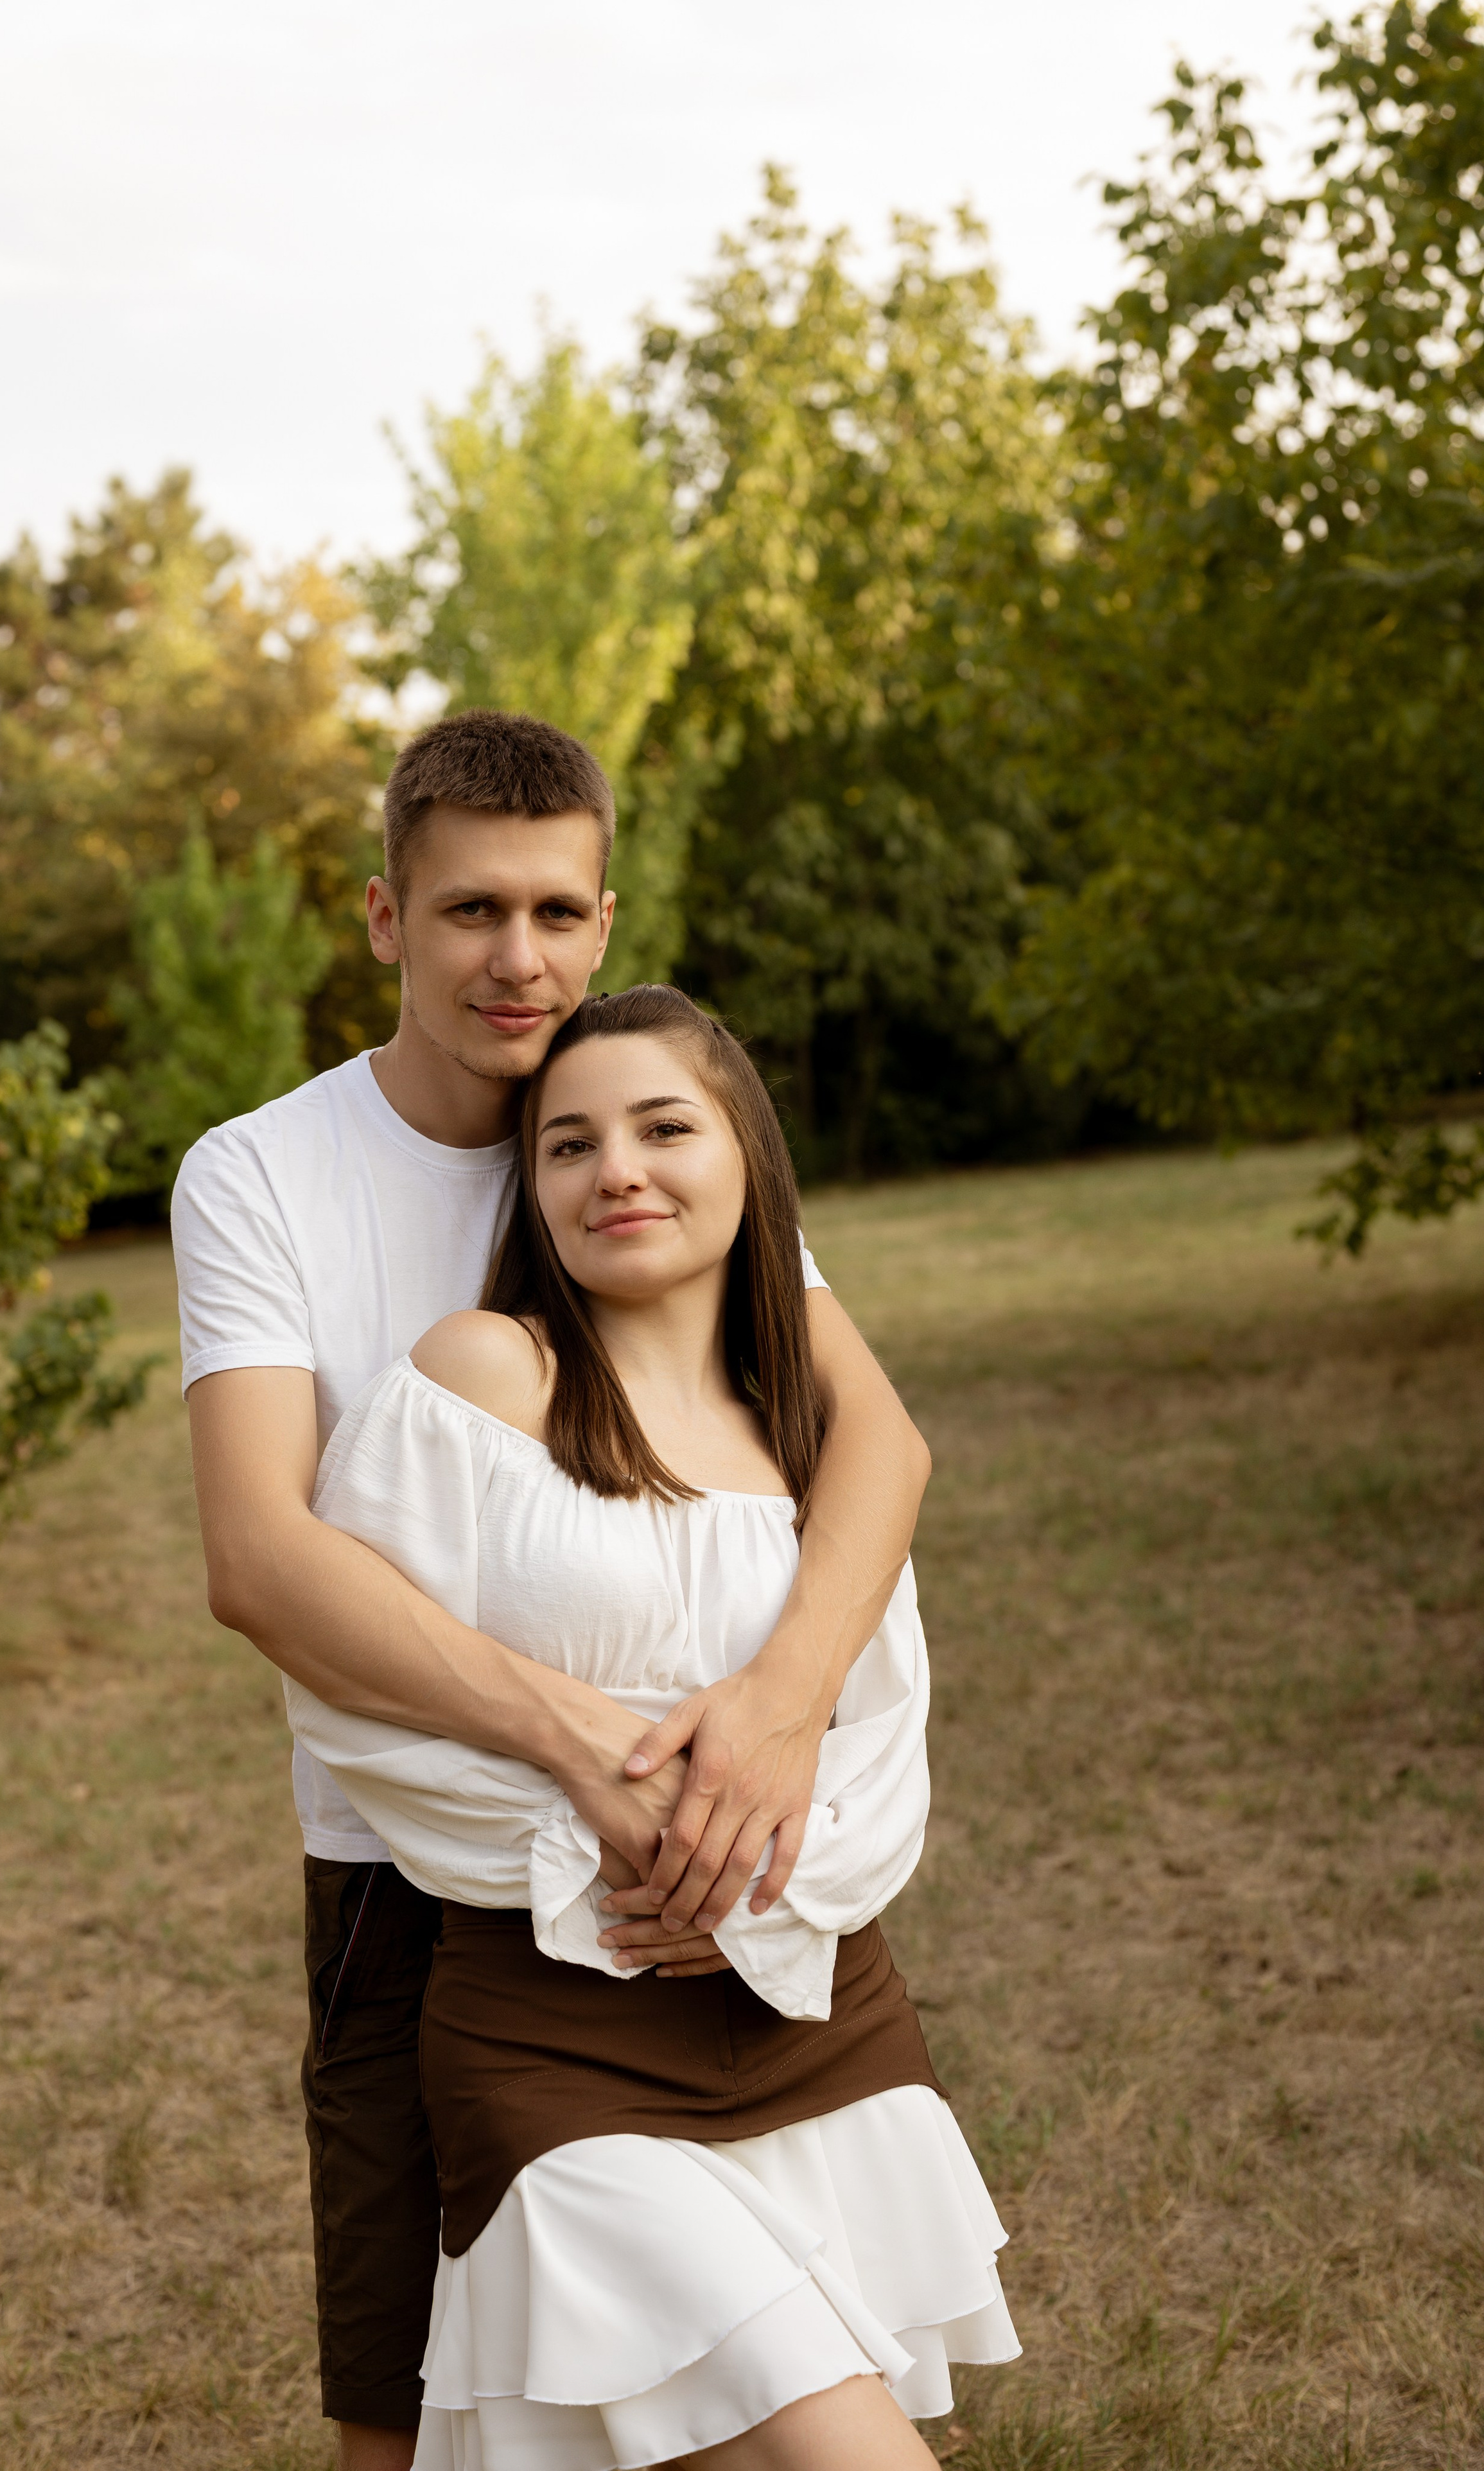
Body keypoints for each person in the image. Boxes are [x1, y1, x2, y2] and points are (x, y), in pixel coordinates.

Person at [175, 711, 936, 2470]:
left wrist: (773, 1714)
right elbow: (262, 1556)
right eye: (467, 913)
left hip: (712, 1847)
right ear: (385, 917)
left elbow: (873, 1448)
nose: (517, 960)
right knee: (414, 2401)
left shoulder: (646, 1125)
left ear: (604, 917)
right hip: (415, 1861)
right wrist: (585, 1753)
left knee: (751, 2374)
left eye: (556, 914)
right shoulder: (264, 1175)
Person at [290, 983, 1020, 2470]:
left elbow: (878, 1726)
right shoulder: (483, 1379)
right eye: (567, 1145)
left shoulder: (804, 1431)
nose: (613, 1167)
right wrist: (624, 1848)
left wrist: (765, 1884)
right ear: (535, 1191)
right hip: (556, 2041)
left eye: (661, 1127)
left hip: (817, 2023)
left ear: (747, 1158)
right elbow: (352, 1685)